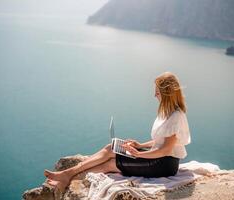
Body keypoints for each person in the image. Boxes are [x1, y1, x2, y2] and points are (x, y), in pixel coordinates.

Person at [44, 71, 191, 192]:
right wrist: (139, 145)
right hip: (157, 157)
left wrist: (139, 154)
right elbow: (161, 140)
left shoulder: (175, 116)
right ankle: (67, 173)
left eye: (157, 92)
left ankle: (67, 178)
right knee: (111, 148)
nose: (154, 95)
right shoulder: (167, 112)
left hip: (163, 165)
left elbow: (166, 150)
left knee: (110, 164)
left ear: (166, 94)